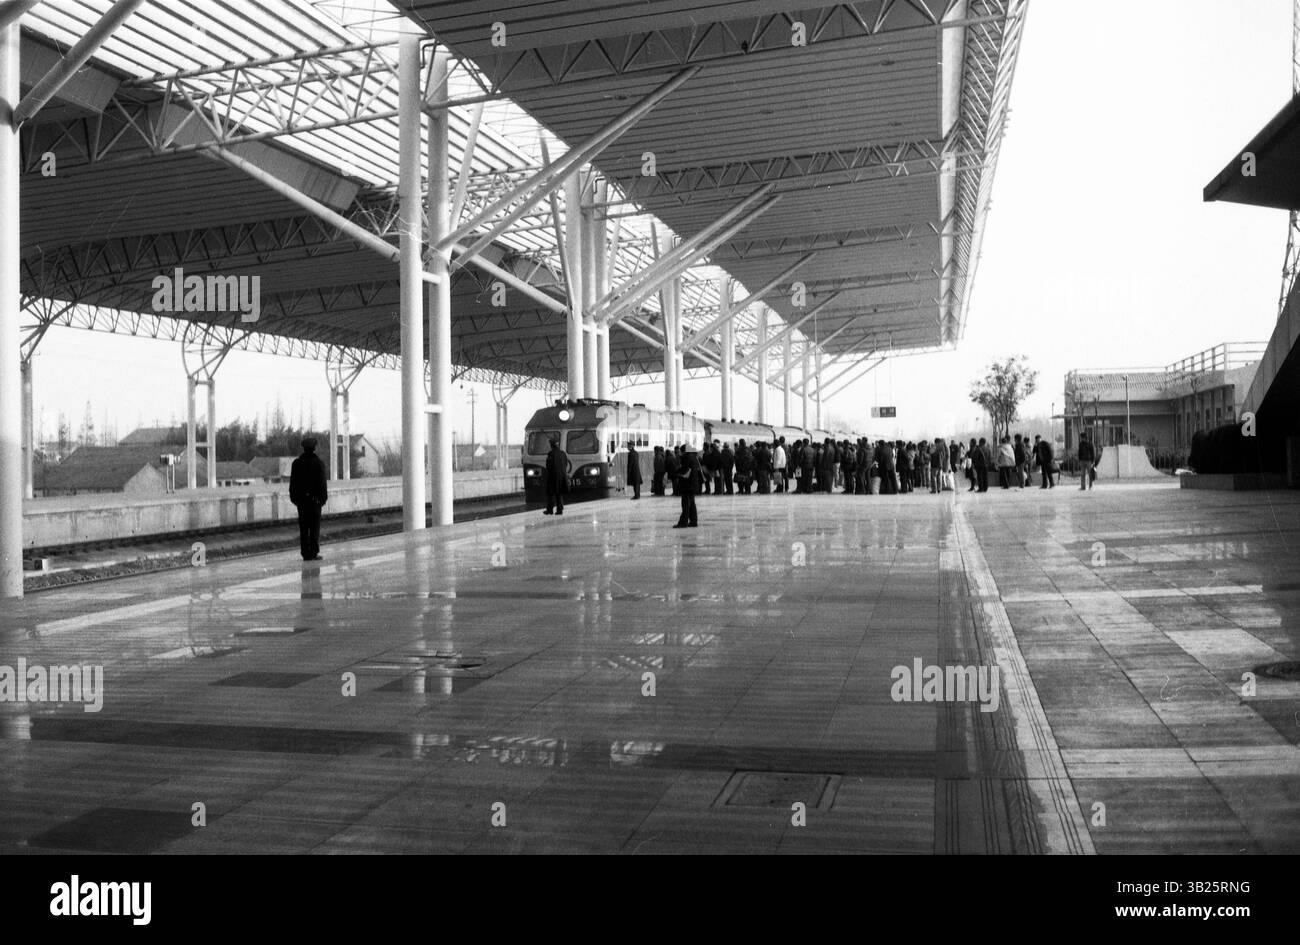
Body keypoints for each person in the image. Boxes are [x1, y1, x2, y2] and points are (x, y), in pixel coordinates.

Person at [289, 436, 328, 561]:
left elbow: (293, 484)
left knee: (304, 528)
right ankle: (314, 552)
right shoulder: (319, 464)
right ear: (314, 449)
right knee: (314, 527)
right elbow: (322, 484)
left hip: (302, 502)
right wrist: (322, 500)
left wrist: (296, 500)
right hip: (315, 502)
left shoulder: (297, 464)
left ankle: (305, 552)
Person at [674, 444, 702, 528]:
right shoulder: (693, 457)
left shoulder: (687, 458)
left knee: (685, 504)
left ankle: (683, 522)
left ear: (684, 452)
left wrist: (677, 471)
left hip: (687, 484)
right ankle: (693, 521)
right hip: (693, 484)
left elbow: (684, 470)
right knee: (692, 503)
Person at [543, 437, 570, 514]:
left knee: (551, 493)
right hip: (562, 476)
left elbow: (548, 466)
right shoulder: (563, 453)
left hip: (553, 476)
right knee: (559, 493)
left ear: (551, 445)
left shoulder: (551, 454)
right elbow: (565, 464)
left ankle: (550, 510)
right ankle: (560, 510)